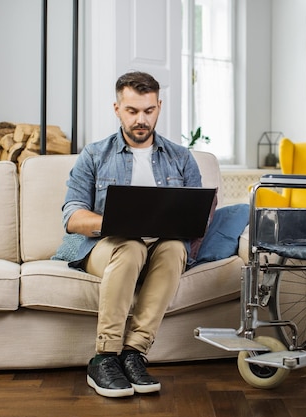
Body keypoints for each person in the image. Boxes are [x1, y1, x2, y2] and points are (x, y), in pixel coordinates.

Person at [61, 71, 202, 398]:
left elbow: (198, 215)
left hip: (162, 247)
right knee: (131, 247)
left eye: (148, 111)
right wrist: (116, 222)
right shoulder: (95, 154)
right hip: (108, 245)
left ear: (159, 107)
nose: (141, 119)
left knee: (174, 249)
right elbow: (73, 216)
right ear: (117, 109)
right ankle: (105, 356)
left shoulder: (181, 158)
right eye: (132, 111)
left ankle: (134, 353)